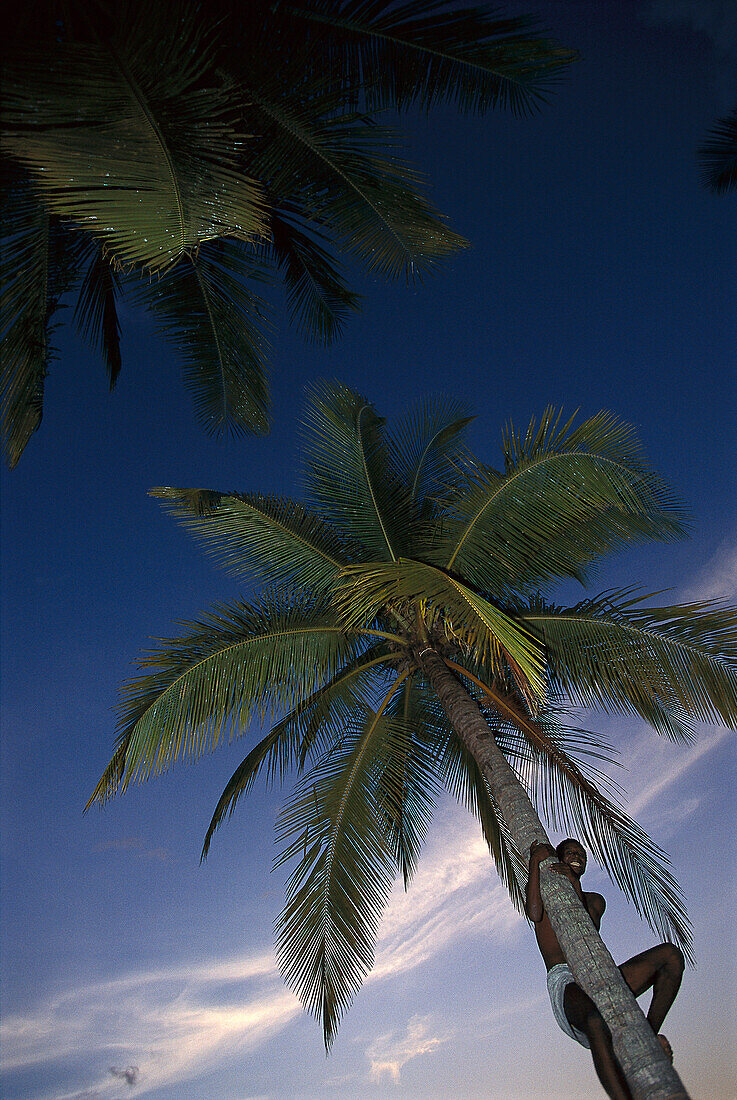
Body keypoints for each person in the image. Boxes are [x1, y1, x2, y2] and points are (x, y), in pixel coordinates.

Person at [525, 838, 684, 1100]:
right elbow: (533, 913)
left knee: (671, 956)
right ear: (558, 857)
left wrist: (573, 884)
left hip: (599, 974)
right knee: (595, 1021)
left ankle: (647, 1034)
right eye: (571, 852)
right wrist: (535, 860)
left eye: (582, 854)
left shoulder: (596, 900)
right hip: (566, 982)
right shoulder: (543, 893)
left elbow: (584, 927)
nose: (578, 856)